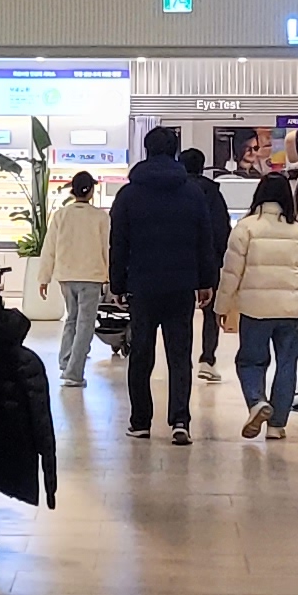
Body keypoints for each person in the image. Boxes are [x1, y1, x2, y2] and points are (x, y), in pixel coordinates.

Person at [107, 127, 226, 441]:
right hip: (181, 286)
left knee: (141, 355)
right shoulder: (192, 193)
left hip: (142, 286)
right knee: (179, 355)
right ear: (175, 152)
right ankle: (180, 421)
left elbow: (118, 243)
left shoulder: (128, 195)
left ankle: (140, 421)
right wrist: (206, 281)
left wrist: (117, 284)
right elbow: (204, 240)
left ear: (146, 150)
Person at [214, 172, 298, 441]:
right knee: (287, 364)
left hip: (255, 309)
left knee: (251, 361)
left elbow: (231, 273)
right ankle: (277, 425)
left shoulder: (246, 228)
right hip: (291, 310)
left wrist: (221, 306)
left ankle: (256, 401)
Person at [43, 168, 110, 385]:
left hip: (66, 275)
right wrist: (111, 277)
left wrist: (44, 276)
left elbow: (49, 247)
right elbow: (107, 248)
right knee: (85, 324)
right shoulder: (100, 217)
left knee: (71, 318)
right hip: (91, 276)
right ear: (90, 191)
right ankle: (74, 373)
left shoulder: (61, 215)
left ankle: (66, 360)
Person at [179, 145, 229, 375]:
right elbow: (221, 229)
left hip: (180, 262)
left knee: (182, 313)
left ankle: (182, 359)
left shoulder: (177, 191)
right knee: (211, 313)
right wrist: (219, 257)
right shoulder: (212, 193)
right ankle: (207, 359)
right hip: (209, 260)